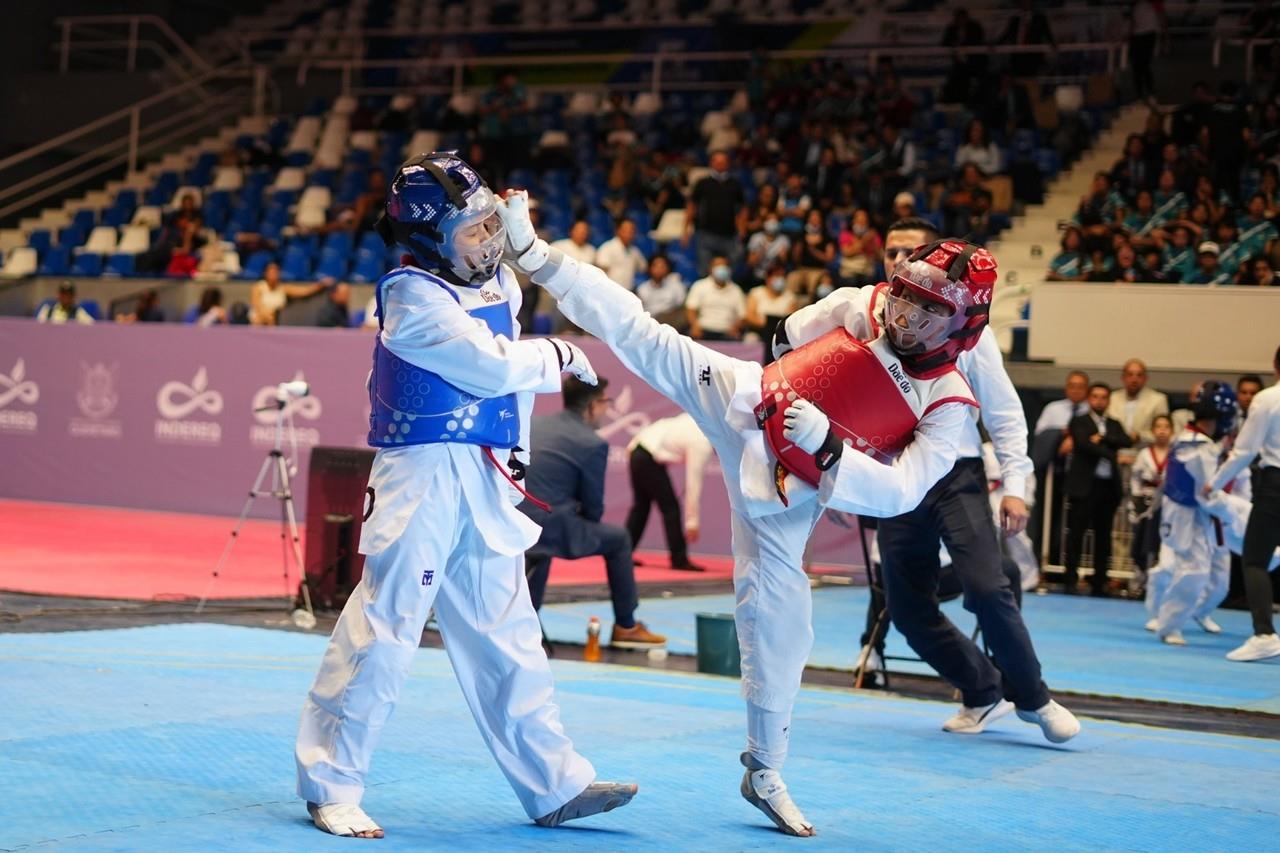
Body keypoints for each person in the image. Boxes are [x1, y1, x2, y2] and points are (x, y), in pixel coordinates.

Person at [499, 189, 1040, 835]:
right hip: (750, 400)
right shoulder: (860, 303)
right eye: (904, 293)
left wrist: (827, 443)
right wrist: (795, 389)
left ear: (963, 324)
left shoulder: (950, 400)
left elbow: (902, 493)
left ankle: (765, 768)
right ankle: (534, 252)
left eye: (927, 308)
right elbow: (789, 336)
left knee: (784, 624)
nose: (904, 313)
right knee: (645, 335)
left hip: (796, 483)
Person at [295, 153, 636, 839]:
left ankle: (554, 783)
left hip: (484, 474)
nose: (484, 246)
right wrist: (561, 357)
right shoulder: (409, 298)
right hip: (421, 476)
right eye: (469, 233)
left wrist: (512, 228)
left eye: (487, 228)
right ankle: (330, 783)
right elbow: (490, 367)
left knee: (511, 632)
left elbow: (505, 291)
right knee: (387, 627)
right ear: (425, 240)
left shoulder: (496, 279)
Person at [780, 217, 1075, 743]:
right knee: (908, 607)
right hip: (893, 474)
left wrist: (1015, 485)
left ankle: (1032, 697)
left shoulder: (966, 333)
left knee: (988, 586)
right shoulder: (860, 313)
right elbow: (795, 352)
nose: (897, 259)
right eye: (891, 252)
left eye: (907, 250)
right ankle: (981, 690)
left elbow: (1004, 411)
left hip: (955, 473)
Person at [520, 376, 666, 647]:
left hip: (515, 522)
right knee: (619, 538)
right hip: (549, 528)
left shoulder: (533, 423)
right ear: (594, 406)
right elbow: (593, 510)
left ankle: (526, 619)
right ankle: (626, 625)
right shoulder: (592, 443)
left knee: (545, 530)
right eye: (606, 402)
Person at [1151, 383, 1246, 645]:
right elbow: (1207, 494)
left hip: (1192, 514)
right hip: (1189, 516)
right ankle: (1168, 624)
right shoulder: (1198, 447)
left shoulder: (1189, 439)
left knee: (1210, 574)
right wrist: (1232, 510)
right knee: (1193, 570)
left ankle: (1179, 618)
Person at [1209, 345, 1280, 661]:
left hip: (1275, 482)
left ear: (1275, 365)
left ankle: (1264, 633)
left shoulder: (1268, 399)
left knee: (1254, 559)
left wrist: (1215, 481)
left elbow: (1245, 450)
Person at [1065, 384, 1134, 595]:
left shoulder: (1113, 424)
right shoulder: (1079, 421)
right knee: (1076, 534)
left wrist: (1103, 439)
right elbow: (1084, 445)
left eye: (1103, 397)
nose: (1099, 401)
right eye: (1095, 397)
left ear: (1109, 400)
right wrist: (1111, 452)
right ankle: (1070, 580)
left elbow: (1126, 439)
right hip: (1084, 486)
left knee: (1104, 536)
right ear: (1089, 399)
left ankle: (1099, 582)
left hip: (1107, 487)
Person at [625, 412, 713, 572]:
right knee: (670, 509)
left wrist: (633, 445)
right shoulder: (703, 441)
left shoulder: (694, 417)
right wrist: (692, 522)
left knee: (641, 507)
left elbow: (664, 424)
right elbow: (693, 483)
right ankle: (679, 560)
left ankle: (622, 554)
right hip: (647, 456)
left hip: (636, 450)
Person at [684, 150, 746, 275]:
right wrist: (685, 229)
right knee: (705, 272)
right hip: (706, 234)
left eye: (723, 162)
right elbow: (692, 206)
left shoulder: (735, 184)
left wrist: (742, 228)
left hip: (729, 235)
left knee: (728, 273)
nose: (720, 164)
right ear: (711, 163)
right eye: (717, 162)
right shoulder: (703, 183)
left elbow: (742, 208)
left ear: (728, 164)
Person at [1129, 414, 1173, 582]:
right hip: (1146, 501)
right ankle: (1141, 575)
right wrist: (1136, 498)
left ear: (1172, 431)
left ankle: (1161, 577)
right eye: (1158, 427)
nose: (1162, 431)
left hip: (1167, 503)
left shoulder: (1175, 453)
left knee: (1162, 541)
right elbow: (1135, 477)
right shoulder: (1144, 453)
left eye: (1166, 427)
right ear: (1153, 431)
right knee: (1142, 539)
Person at [1107, 358, 1170, 445]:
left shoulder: (1158, 400)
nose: (1134, 379)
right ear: (1123, 378)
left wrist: (1140, 436)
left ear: (1145, 379)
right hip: (1114, 450)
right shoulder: (1111, 398)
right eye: (1130, 375)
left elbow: (1164, 432)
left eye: (1139, 375)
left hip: (1145, 449)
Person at [744, 262, 798, 362]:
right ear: (768, 278)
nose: (780, 279)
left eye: (782, 276)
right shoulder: (756, 293)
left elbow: (791, 319)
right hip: (759, 332)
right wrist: (768, 325)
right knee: (750, 339)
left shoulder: (790, 297)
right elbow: (749, 316)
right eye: (777, 276)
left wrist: (775, 328)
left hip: (780, 336)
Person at [685, 257, 745, 341]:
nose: (721, 268)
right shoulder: (699, 286)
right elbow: (691, 309)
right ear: (710, 268)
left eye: (724, 266)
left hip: (727, 332)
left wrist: (735, 327)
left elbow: (742, 315)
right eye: (717, 265)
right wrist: (695, 326)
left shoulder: (736, 290)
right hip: (703, 330)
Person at [250, 262, 323, 325]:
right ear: (265, 273)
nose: (273, 274)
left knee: (271, 319)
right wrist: (267, 315)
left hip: (277, 319)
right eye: (271, 272)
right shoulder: (258, 287)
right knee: (260, 320)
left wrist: (320, 285)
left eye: (276, 272)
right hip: (259, 317)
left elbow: (304, 291)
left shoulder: (284, 288)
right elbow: (257, 305)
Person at [594, 219, 646, 291]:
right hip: (610, 291)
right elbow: (601, 272)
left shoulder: (635, 251)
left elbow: (644, 267)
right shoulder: (607, 247)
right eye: (626, 230)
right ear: (617, 231)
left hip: (628, 291)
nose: (629, 233)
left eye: (632, 231)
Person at [634, 254, 687, 326]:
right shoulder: (642, 289)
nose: (659, 270)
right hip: (649, 323)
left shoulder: (676, 286)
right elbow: (639, 311)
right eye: (656, 266)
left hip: (671, 322)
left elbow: (681, 307)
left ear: (667, 268)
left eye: (662, 266)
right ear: (650, 268)